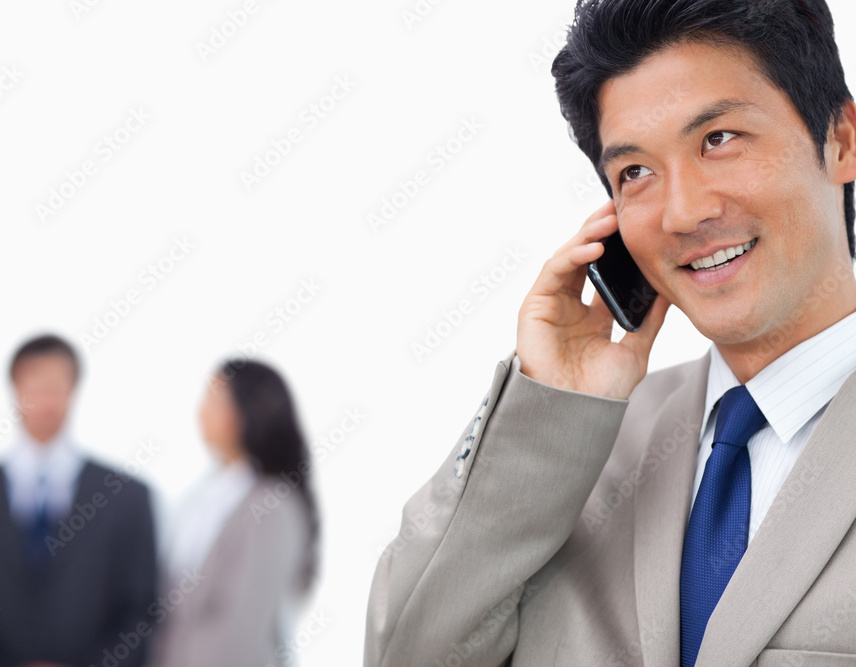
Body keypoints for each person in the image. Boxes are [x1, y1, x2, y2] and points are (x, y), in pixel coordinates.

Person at [365, 0, 856, 665]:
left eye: (719, 139)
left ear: (843, 140)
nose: (682, 213)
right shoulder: (575, 454)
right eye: (636, 173)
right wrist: (547, 405)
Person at [0, 334, 157, 667]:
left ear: (74, 391)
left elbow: (142, 609)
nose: (45, 402)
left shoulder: (126, 496)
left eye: (56, 388)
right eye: (35, 387)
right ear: (15, 391)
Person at [151, 358, 319, 667]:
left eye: (215, 400)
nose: (201, 412)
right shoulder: (204, 496)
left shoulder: (273, 507)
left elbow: (240, 627)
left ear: (248, 411)